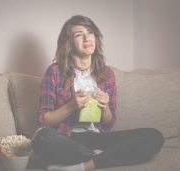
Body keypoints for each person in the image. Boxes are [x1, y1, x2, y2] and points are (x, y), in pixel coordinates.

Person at [31, 15, 164, 171]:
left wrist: (105, 107)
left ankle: (84, 164)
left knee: (154, 136)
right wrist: (71, 106)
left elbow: (108, 123)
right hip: (67, 138)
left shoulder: (106, 73)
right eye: (79, 34)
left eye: (90, 32)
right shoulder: (55, 71)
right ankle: (98, 155)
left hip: (97, 137)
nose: (87, 37)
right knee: (41, 137)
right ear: (69, 43)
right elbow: (45, 120)